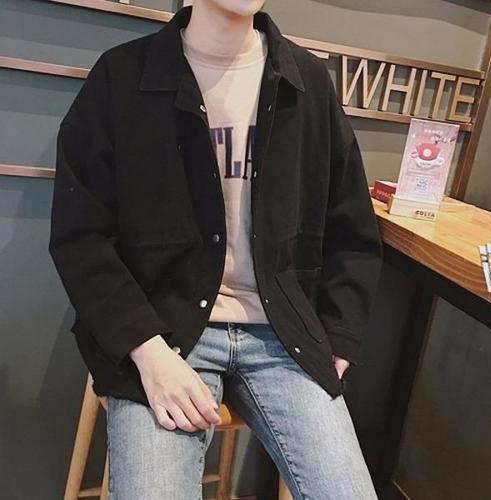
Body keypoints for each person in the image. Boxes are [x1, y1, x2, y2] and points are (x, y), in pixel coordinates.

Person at [49, 1, 383, 498]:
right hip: (164, 333)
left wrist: (339, 337)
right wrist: (148, 354)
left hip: (284, 335)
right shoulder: (122, 75)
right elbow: (81, 236)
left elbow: (351, 222)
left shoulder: (307, 80)